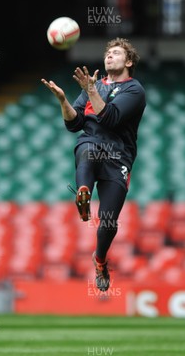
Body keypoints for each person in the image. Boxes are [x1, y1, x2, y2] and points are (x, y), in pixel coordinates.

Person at [41, 38, 146, 291]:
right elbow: (73, 124)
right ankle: (83, 193)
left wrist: (90, 91)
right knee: (87, 148)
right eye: (107, 53)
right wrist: (63, 100)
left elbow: (110, 118)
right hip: (91, 143)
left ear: (128, 61)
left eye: (116, 53)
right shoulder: (94, 85)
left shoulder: (134, 90)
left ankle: (100, 260)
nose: (109, 56)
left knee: (108, 222)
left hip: (118, 157)